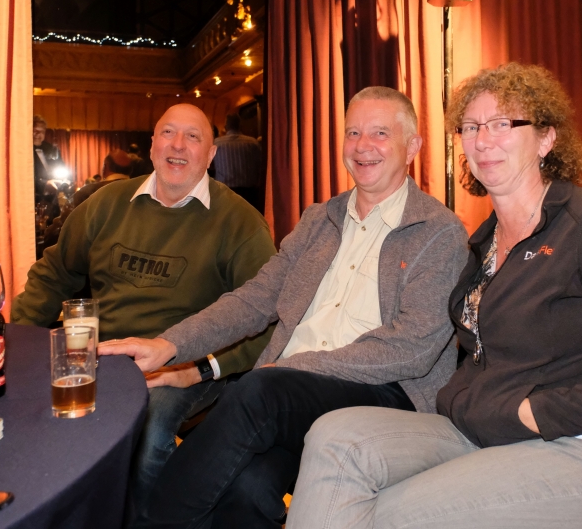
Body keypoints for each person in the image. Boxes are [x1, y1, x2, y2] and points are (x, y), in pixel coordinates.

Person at [286, 63, 582, 529]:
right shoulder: (484, 241)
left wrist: (534, 412)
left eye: (502, 124)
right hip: (491, 433)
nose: (482, 140)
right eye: (470, 126)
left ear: (545, 139)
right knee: (335, 438)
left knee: (383, 515)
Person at [99, 86, 470, 529]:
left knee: (258, 391)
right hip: (288, 395)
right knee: (249, 488)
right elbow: (255, 298)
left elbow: (411, 349)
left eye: (380, 133)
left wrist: (295, 368)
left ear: (411, 147)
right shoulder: (320, 219)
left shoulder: (438, 232)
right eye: (353, 132)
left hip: (384, 395)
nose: (362, 146)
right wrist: (169, 345)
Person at [12, 104, 278, 517]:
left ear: (211, 154)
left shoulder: (241, 224)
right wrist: (14, 338)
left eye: (193, 137)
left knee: (146, 433)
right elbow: (55, 274)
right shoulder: (106, 204)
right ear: (152, 145)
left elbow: (268, 318)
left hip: (180, 365)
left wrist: (200, 368)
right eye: (168, 133)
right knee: (29, 411)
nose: (178, 145)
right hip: (98, 356)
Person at [212, 111, 265, 212]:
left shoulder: (216, 144)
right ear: (240, 125)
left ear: (225, 126)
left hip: (225, 192)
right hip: (249, 194)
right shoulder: (253, 143)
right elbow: (261, 167)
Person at [33, 114, 63, 207]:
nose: (38, 134)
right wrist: (44, 185)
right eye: (35, 131)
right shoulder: (22, 152)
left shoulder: (52, 149)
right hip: (33, 199)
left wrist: (64, 180)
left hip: (52, 200)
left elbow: (62, 167)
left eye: (41, 131)